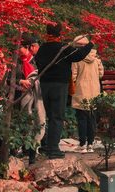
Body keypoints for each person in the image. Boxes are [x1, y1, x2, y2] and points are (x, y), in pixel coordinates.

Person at [34, 22, 94, 159]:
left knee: (50, 116)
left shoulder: (42, 48)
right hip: (59, 85)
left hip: (45, 84)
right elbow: (78, 55)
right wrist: (90, 45)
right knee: (57, 116)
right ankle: (53, 149)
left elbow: (37, 61)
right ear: (59, 33)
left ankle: (48, 146)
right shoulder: (62, 48)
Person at [71, 35, 104, 151]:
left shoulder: (77, 59)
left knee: (81, 119)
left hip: (81, 91)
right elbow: (101, 74)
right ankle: (91, 143)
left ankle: (82, 144)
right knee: (92, 119)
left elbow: (73, 76)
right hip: (94, 91)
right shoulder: (97, 59)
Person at [15, 37, 45, 164]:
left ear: (27, 47)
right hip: (20, 95)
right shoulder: (16, 62)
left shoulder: (36, 60)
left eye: (19, 48)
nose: (17, 51)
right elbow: (10, 80)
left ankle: (35, 147)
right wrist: (21, 83)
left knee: (39, 119)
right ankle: (26, 148)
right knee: (26, 121)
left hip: (37, 95)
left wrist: (33, 82)